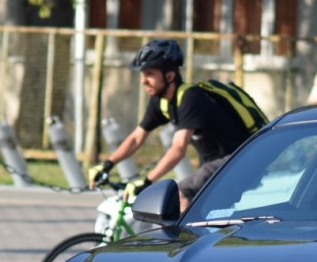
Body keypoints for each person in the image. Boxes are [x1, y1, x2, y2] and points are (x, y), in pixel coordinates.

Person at [86, 39, 256, 212]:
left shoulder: (191, 98)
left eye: (150, 74)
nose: (143, 80)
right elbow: (136, 138)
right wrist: (107, 164)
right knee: (201, 213)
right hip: (213, 163)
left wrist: (147, 181)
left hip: (237, 160)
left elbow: (178, 148)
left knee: (181, 193)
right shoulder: (160, 102)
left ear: (169, 75)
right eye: (142, 74)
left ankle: (187, 240)